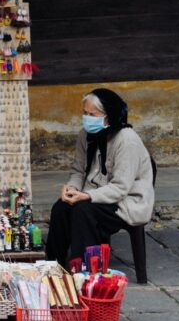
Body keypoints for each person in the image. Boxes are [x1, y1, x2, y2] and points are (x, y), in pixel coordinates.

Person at [45, 88, 155, 269]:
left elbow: (120, 188)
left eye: (93, 115)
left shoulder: (126, 140)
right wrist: (72, 188)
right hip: (94, 193)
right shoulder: (85, 135)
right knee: (61, 207)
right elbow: (78, 171)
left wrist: (87, 196)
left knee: (83, 210)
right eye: (85, 113)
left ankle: (83, 269)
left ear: (109, 116)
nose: (87, 118)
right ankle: (52, 264)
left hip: (125, 201)